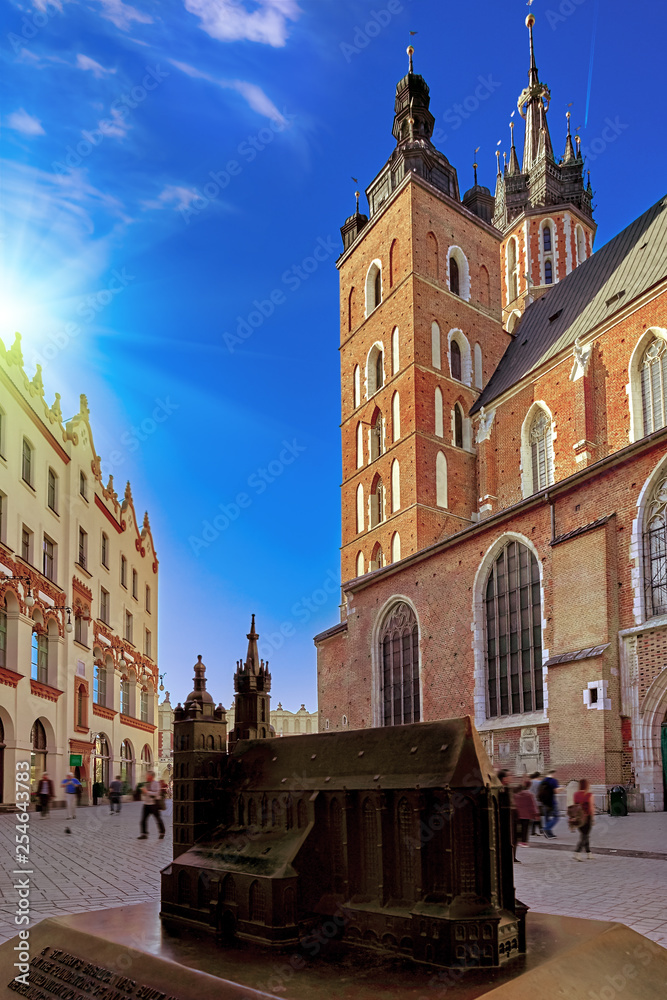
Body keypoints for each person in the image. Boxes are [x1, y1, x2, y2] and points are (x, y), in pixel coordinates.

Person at [498, 770, 519, 863]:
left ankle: (513, 857)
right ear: (504, 779)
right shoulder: (501, 790)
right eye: (509, 775)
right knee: (509, 837)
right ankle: (509, 857)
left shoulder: (508, 788)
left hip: (512, 814)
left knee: (514, 838)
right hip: (506, 816)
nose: (511, 777)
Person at [138, 770, 165, 840]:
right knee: (143, 820)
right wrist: (143, 792)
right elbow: (145, 794)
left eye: (147, 775)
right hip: (146, 804)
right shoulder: (146, 784)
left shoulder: (156, 783)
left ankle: (162, 832)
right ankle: (144, 834)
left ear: (151, 776)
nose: (146, 777)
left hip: (154, 804)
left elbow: (157, 793)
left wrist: (147, 792)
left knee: (158, 819)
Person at [572, 778, 595, 860]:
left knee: (585, 835)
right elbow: (591, 808)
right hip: (587, 817)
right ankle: (577, 852)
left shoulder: (575, 794)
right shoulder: (589, 795)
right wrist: (593, 818)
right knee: (585, 836)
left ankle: (589, 853)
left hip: (578, 818)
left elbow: (575, 806)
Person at [514, 779, 540, 846]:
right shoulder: (529, 795)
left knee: (518, 828)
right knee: (525, 829)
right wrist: (536, 814)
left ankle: (517, 840)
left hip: (518, 814)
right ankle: (524, 841)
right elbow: (532, 805)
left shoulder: (516, 795)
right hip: (527, 815)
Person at [537, 769, 560, 838]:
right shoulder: (554, 781)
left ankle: (549, 834)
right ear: (553, 773)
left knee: (547, 818)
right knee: (556, 817)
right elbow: (556, 791)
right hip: (552, 802)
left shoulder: (543, 781)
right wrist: (562, 789)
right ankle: (546, 829)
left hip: (544, 802)